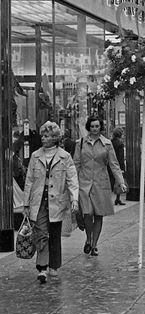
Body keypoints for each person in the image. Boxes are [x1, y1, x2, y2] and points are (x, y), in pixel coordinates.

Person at [23, 121, 79, 283]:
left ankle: (54, 265)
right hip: (38, 202)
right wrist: (26, 204)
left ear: (54, 138)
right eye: (42, 135)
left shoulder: (65, 157)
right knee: (40, 233)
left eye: (46, 136)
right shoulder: (35, 156)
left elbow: (72, 179)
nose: (43, 138)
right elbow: (29, 180)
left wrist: (74, 199)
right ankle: (42, 267)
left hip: (57, 202)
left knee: (54, 234)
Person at [74, 116, 127, 256]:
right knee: (87, 212)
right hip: (84, 182)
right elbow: (75, 164)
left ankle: (93, 244)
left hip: (101, 183)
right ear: (88, 127)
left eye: (97, 126)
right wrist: (72, 183)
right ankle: (88, 238)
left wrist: (120, 181)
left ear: (100, 127)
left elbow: (114, 165)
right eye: (92, 126)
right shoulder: (80, 143)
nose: (95, 129)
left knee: (98, 214)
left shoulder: (107, 144)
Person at [110, 127, 126, 206]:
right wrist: (122, 168)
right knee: (119, 182)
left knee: (111, 182)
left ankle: (110, 199)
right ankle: (117, 198)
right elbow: (121, 157)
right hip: (117, 165)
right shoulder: (120, 143)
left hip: (109, 165)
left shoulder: (110, 142)